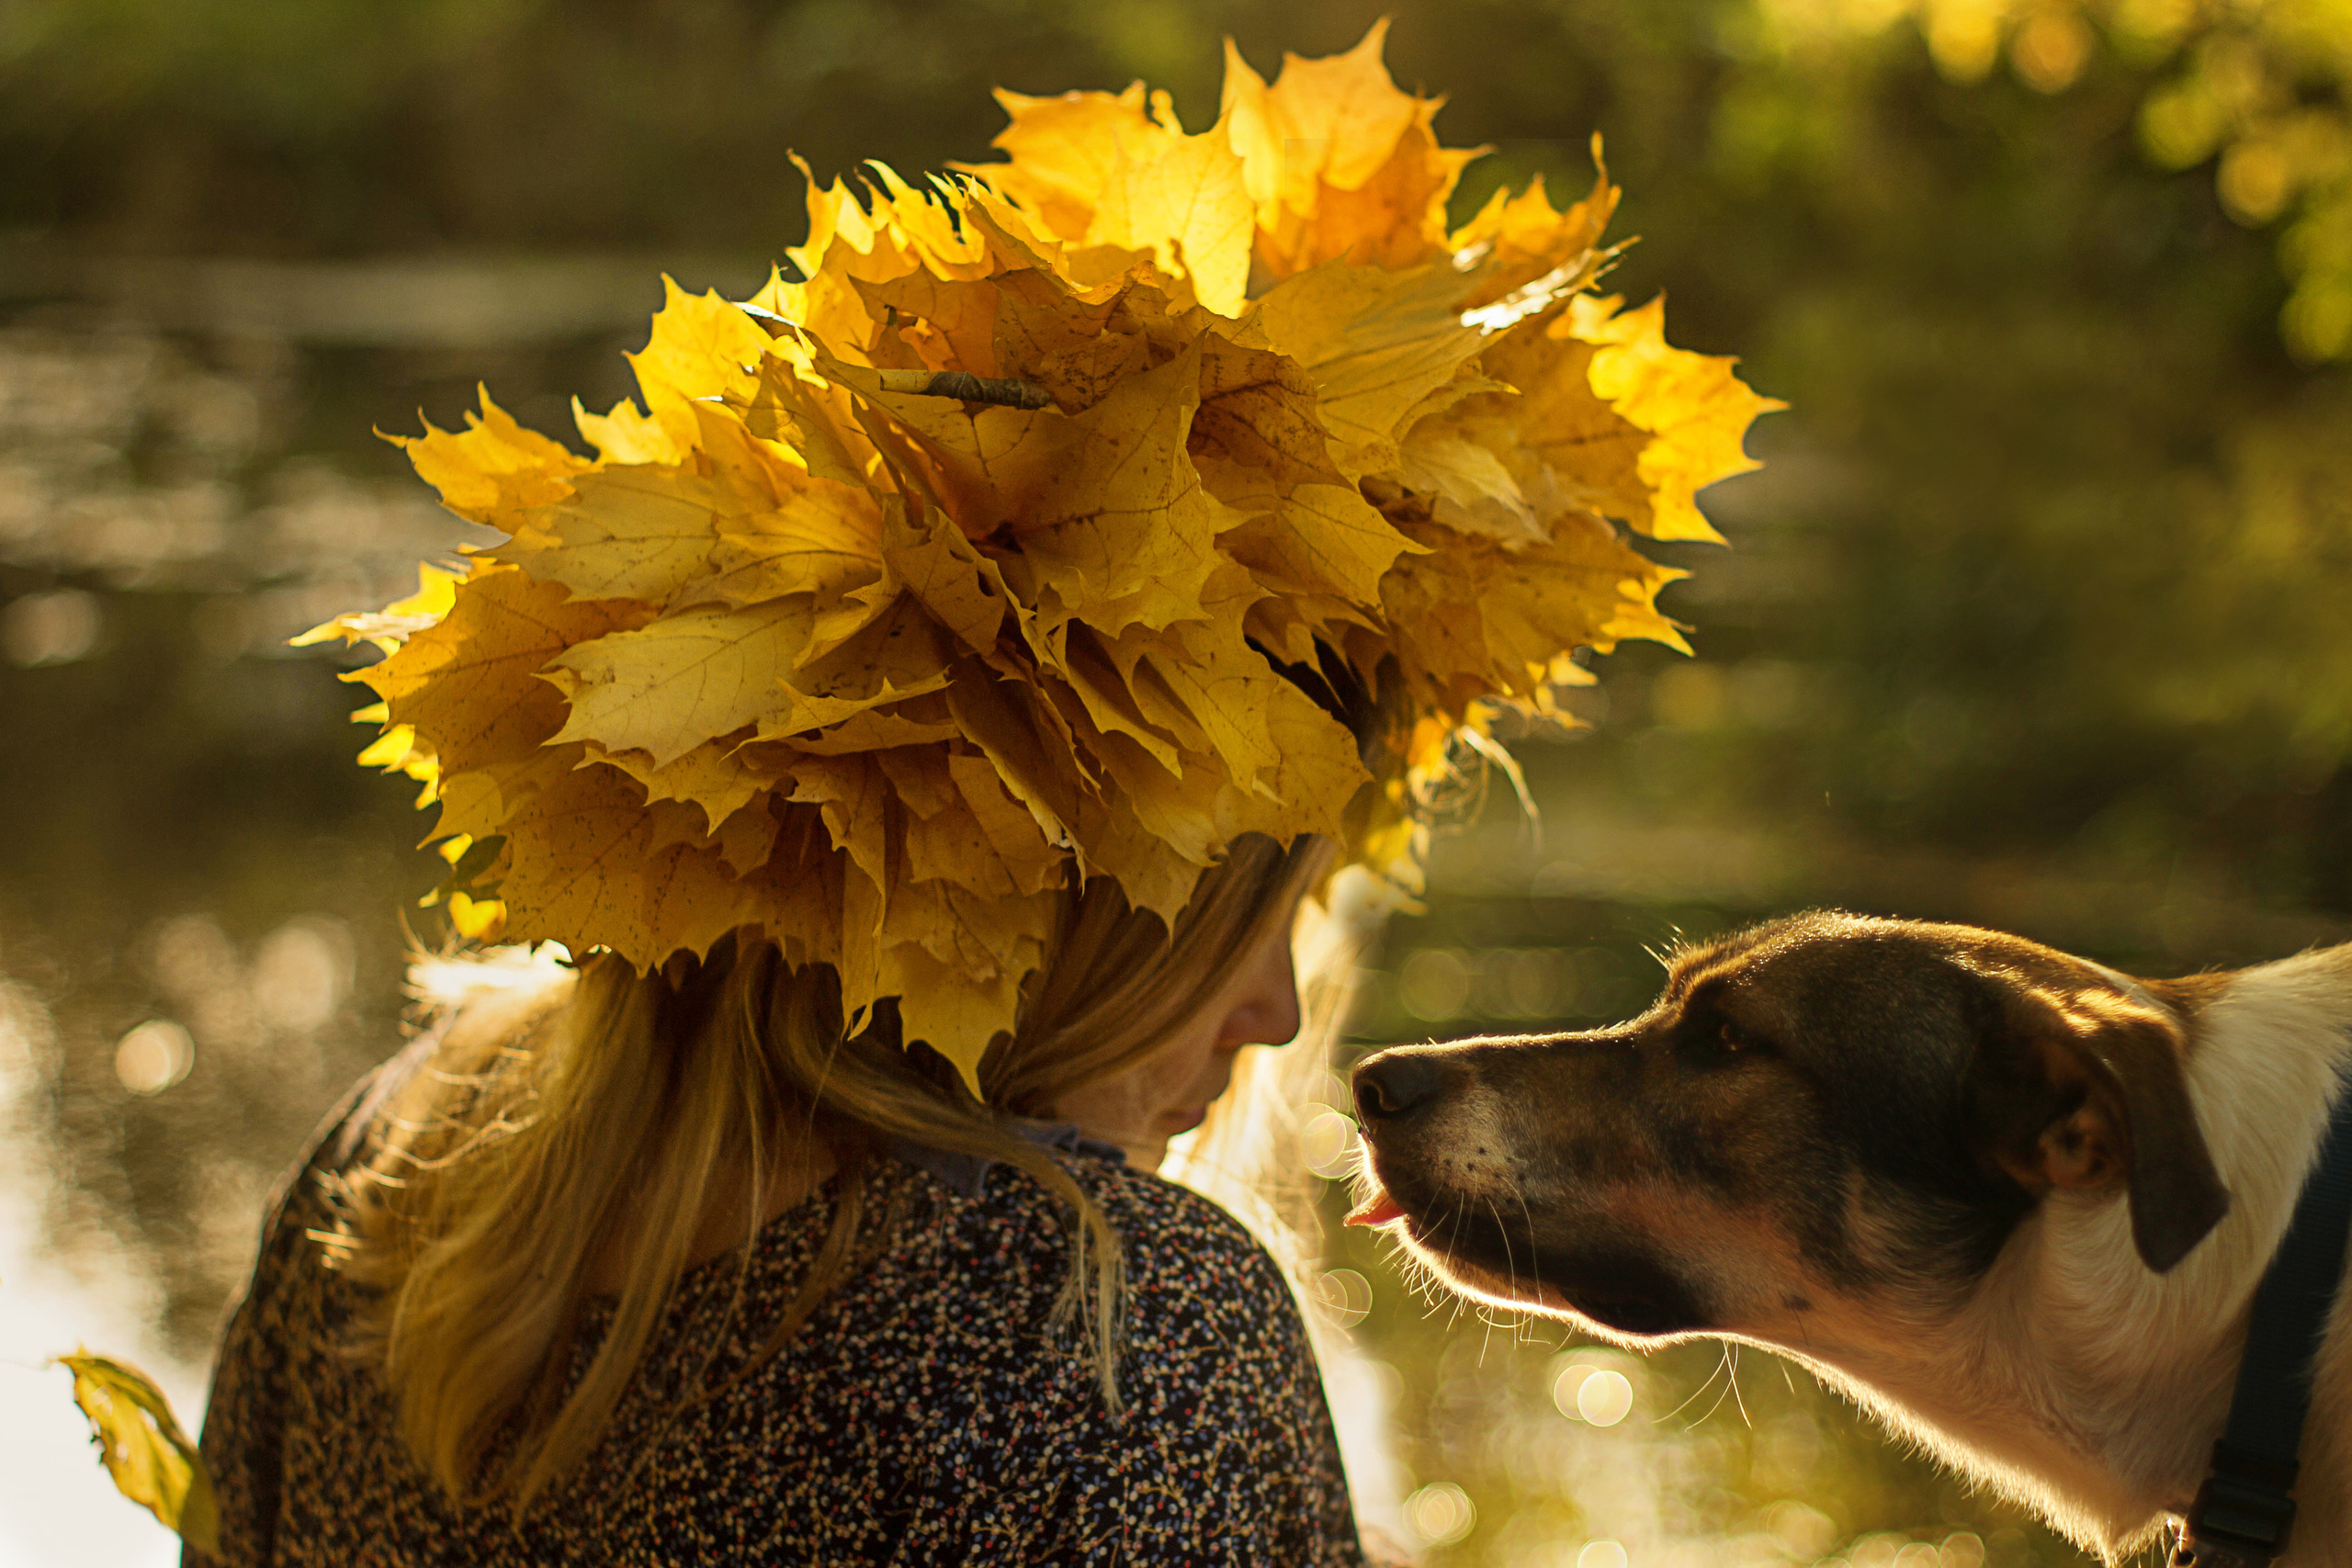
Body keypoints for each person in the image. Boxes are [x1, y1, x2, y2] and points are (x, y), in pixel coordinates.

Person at [190, 24, 1770, 1567]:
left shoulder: (399, 1167)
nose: (1276, 1018)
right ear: (1022, 885)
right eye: (1229, 916)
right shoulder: (1112, 1340)